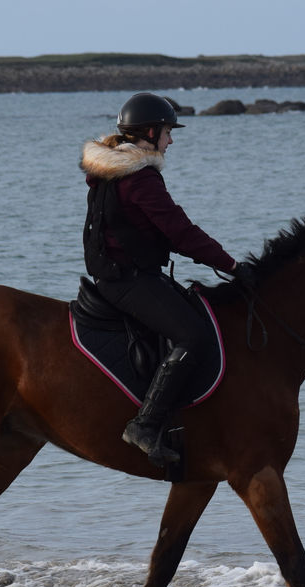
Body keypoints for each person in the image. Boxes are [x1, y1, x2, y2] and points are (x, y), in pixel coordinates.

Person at [81, 92, 237, 467]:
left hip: (119, 274)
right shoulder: (139, 177)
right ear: (150, 132)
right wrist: (231, 265)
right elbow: (179, 231)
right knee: (192, 336)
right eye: (167, 132)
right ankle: (145, 426)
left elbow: (159, 232)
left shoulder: (112, 169)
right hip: (127, 280)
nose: (171, 140)